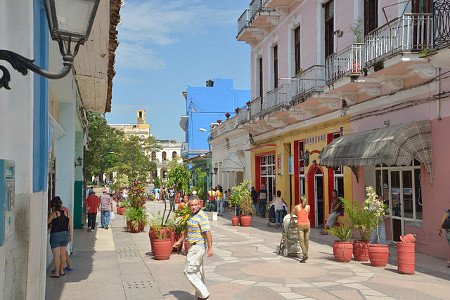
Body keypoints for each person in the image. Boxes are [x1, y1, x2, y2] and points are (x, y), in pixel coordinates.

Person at [173, 198, 213, 300]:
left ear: (199, 204)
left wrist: (210, 248)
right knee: (198, 271)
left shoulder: (202, 216)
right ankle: (200, 296)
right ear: (189, 206)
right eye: (191, 205)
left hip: (198, 247)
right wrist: (179, 241)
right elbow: (187, 231)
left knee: (188, 270)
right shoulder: (192, 215)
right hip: (192, 246)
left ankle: (204, 293)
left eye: (195, 205)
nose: (193, 207)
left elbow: (207, 232)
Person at [48, 196, 73, 278]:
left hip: (56, 235)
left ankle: (56, 272)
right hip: (65, 234)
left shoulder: (54, 213)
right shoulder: (67, 212)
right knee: (62, 254)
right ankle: (61, 271)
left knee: (56, 255)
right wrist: (70, 235)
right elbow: (70, 224)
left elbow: (46, 222)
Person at [291, 195, 310, 263]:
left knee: (301, 241)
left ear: (300, 200)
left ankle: (305, 255)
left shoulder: (297, 207)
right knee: (306, 240)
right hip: (307, 224)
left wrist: (293, 220)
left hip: (300, 225)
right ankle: (306, 254)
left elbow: (292, 213)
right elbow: (307, 214)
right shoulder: (308, 207)